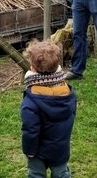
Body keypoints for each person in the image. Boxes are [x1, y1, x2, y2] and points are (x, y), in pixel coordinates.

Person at [20, 39, 77, 178]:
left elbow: (30, 130)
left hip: (38, 152)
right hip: (61, 149)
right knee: (62, 174)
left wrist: (29, 151)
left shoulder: (31, 101)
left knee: (36, 174)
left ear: (32, 68)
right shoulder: (67, 93)